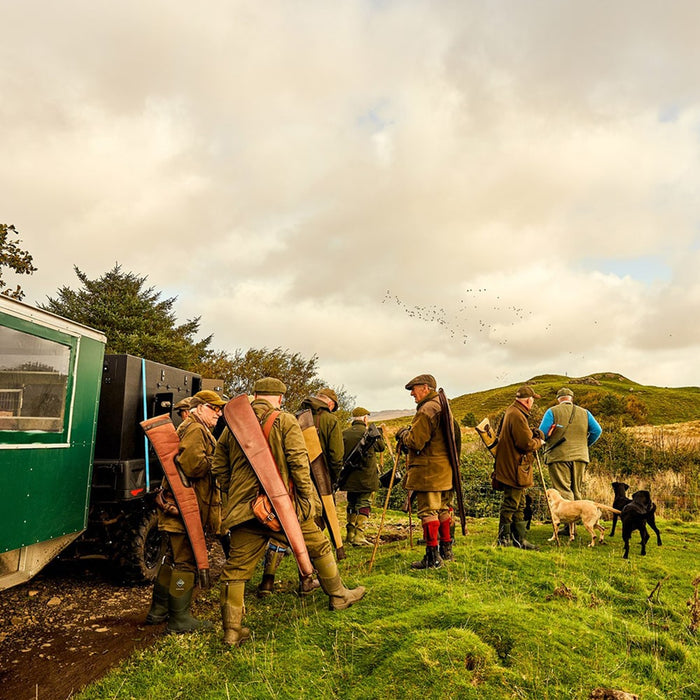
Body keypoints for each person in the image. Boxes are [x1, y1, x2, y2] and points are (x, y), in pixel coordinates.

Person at [212, 377, 365, 647]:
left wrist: (233, 492)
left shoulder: (233, 426)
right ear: (280, 398)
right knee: (318, 546)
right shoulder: (284, 421)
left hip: (245, 511)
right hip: (284, 508)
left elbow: (218, 465)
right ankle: (339, 595)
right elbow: (298, 463)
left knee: (235, 571)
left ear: (255, 395)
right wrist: (308, 499)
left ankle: (232, 630)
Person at [145, 389, 226, 633]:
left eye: (220, 409)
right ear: (199, 407)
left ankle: (158, 610)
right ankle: (180, 619)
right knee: (186, 564)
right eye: (214, 408)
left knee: (172, 559)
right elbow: (192, 465)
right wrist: (219, 463)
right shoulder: (196, 429)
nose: (218, 413)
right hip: (186, 510)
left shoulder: (192, 427)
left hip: (179, 508)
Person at [257, 387, 344, 595]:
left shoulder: (293, 416)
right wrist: (333, 479)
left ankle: (267, 581)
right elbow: (336, 455)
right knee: (313, 533)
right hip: (315, 483)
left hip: (288, 482)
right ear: (330, 404)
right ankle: (307, 581)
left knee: (282, 530)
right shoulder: (330, 421)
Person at [395, 374, 455, 569]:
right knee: (443, 509)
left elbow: (416, 441)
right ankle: (446, 551)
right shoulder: (442, 405)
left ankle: (432, 558)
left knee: (428, 512)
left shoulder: (427, 410)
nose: (412, 393)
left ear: (426, 388)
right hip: (445, 470)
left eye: (414, 389)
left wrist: (403, 434)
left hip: (429, 471)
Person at [493, 386, 544, 550]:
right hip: (514, 468)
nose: (533, 402)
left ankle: (518, 539)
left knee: (519, 504)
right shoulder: (517, 415)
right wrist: (539, 442)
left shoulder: (513, 411)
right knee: (511, 504)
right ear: (528, 401)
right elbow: (525, 444)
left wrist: (530, 432)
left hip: (512, 466)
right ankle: (505, 540)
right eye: (533, 400)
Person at [538, 387, 602, 503]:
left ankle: (569, 521)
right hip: (580, 457)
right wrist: (585, 445)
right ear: (571, 399)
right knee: (577, 490)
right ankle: (578, 519)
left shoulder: (552, 411)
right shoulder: (585, 412)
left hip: (558, 456)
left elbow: (541, 433)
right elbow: (597, 431)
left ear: (558, 399)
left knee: (563, 491)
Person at [339, 407, 386, 546]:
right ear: (365, 419)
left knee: (352, 504)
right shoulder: (370, 434)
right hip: (366, 477)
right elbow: (381, 447)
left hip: (348, 476)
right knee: (364, 503)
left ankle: (349, 534)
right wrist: (380, 434)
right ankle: (359, 535)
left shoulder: (344, 434)